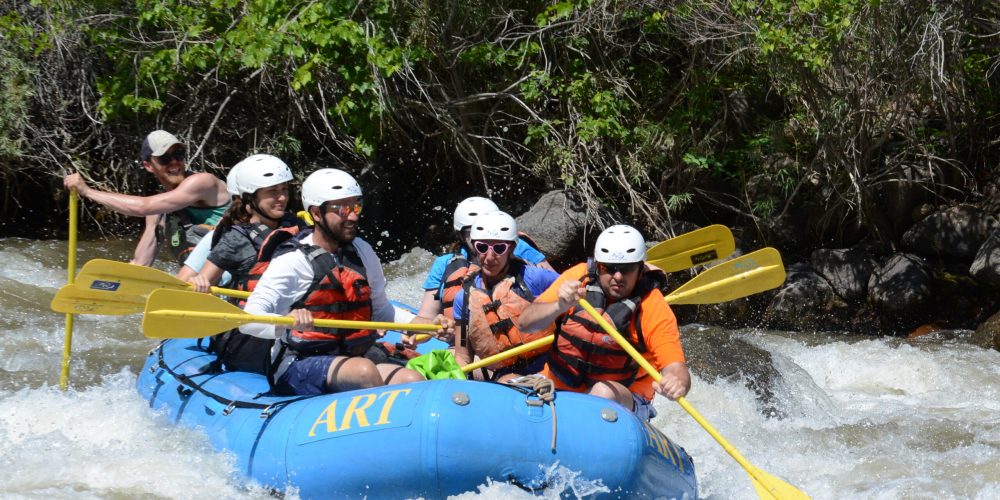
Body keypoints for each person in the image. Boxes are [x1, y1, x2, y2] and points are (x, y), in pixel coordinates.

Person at [240, 168, 454, 395]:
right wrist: (286, 320)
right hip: (298, 363)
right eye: (342, 209)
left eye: (356, 207)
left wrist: (424, 324)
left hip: (354, 358)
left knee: (412, 378)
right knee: (364, 372)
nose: (352, 216)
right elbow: (248, 321)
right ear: (316, 213)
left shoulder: (362, 251)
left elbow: (381, 311)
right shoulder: (292, 261)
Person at [518, 225, 691, 421]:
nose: (617, 276)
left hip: (623, 396)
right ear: (598, 266)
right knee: (506, 383)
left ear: (641, 270)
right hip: (558, 383)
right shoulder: (578, 278)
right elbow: (525, 324)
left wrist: (677, 384)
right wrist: (559, 306)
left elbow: (676, 367)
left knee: (602, 392)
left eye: (627, 269)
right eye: (608, 268)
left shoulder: (652, 305)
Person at [188, 154, 303, 373]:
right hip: (252, 335)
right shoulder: (236, 238)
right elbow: (203, 281)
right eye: (272, 192)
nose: (281, 198)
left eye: (284, 190)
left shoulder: (298, 227)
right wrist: (202, 288)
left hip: (298, 322)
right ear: (251, 198)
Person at [63, 130, 230, 266]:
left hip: (232, 277)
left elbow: (143, 207)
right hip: (199, 282)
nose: (174, 162)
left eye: (178, 154)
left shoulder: (203, 182)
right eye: (164, 158)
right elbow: (140, 263)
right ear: (149, 166)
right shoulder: (158, 210)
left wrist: (88, 191)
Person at [450, 211, 561, 381]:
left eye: (499, 248)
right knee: (506, 380)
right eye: (482, 247)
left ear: (512, 248)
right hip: (508, 375)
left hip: (552, 363)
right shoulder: (463, 299)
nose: (489, 257)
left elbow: (575, 295)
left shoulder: (535, 278)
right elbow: (463, 357)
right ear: (474, 247)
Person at [416, 196, 554, 332]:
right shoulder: (445, 265)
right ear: (461, 235)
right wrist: (435, 328)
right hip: (466, 339)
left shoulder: (520, 249)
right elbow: (425, 317)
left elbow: (558, 285)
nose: (483, 235)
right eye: (473, 231)